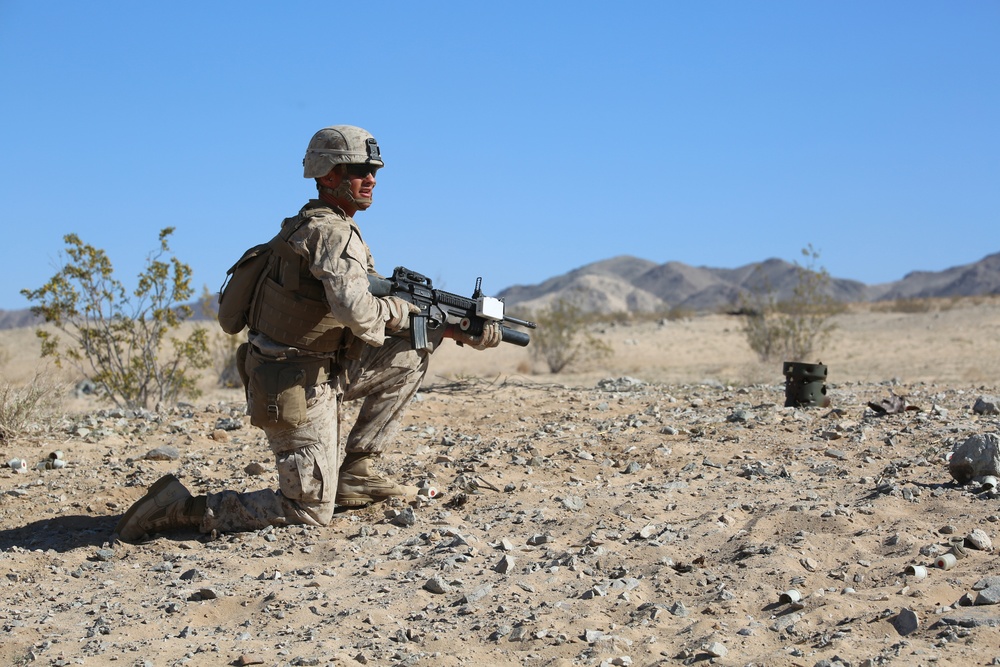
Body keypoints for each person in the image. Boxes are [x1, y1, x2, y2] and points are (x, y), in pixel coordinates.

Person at [114, 125, 501, 542]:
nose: (370, 179)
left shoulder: (317, 224)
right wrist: (403, 311)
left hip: (322, 367)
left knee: (411, 352)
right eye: (357, 170)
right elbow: (360, 314)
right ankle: (179, 508)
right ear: (327, 175)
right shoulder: (331, 232)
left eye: (373, 171)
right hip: (292, 384)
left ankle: (355, 473)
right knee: (309, 512)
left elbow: (370, 319)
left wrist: (456, 330)